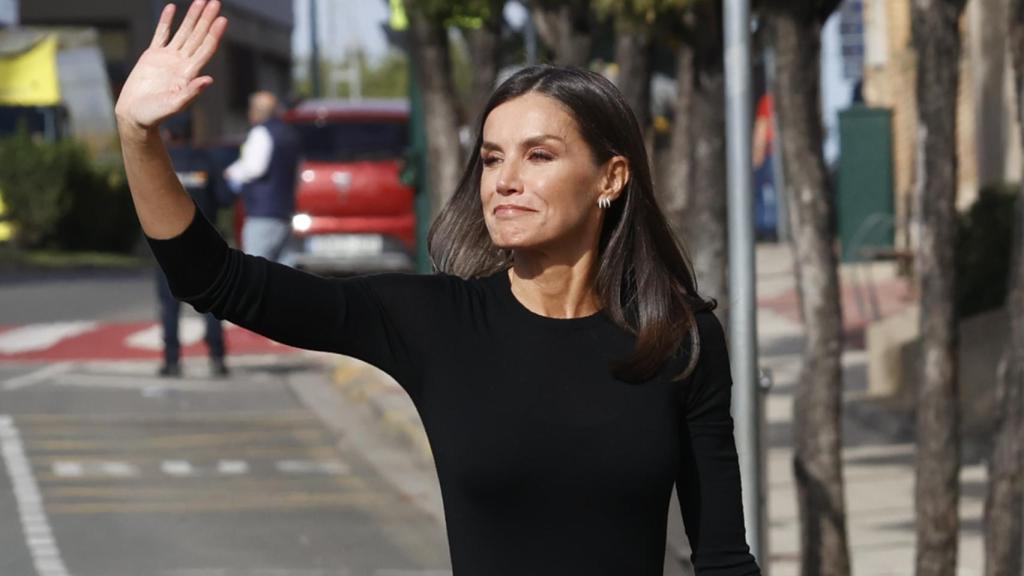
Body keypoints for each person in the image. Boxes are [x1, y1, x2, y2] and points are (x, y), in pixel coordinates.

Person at [113, 2, 762, 574]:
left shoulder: (677, 338)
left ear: (610, 178)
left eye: (538, 155)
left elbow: (724, 558)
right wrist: (138, 136)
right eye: (490, 157)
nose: (503, 179)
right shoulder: (437, 322)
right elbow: (213, 278)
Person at [156, 113, 230, 377]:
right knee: (211, 303)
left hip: (167, 245)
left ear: (168, 134)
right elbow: (224, 197)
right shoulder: (206, 160)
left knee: (169, 306)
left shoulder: (160, 164)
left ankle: (172, 361)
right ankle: (217, 358)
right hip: (204, 243)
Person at [223, 90, 299, 262]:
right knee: (285, 270)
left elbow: (255, 168)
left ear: (255, 111)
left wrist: (232, 173)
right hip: (285, 211)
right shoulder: (288, 134)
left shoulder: (261, 133)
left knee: (256, 269)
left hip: (262, 212)